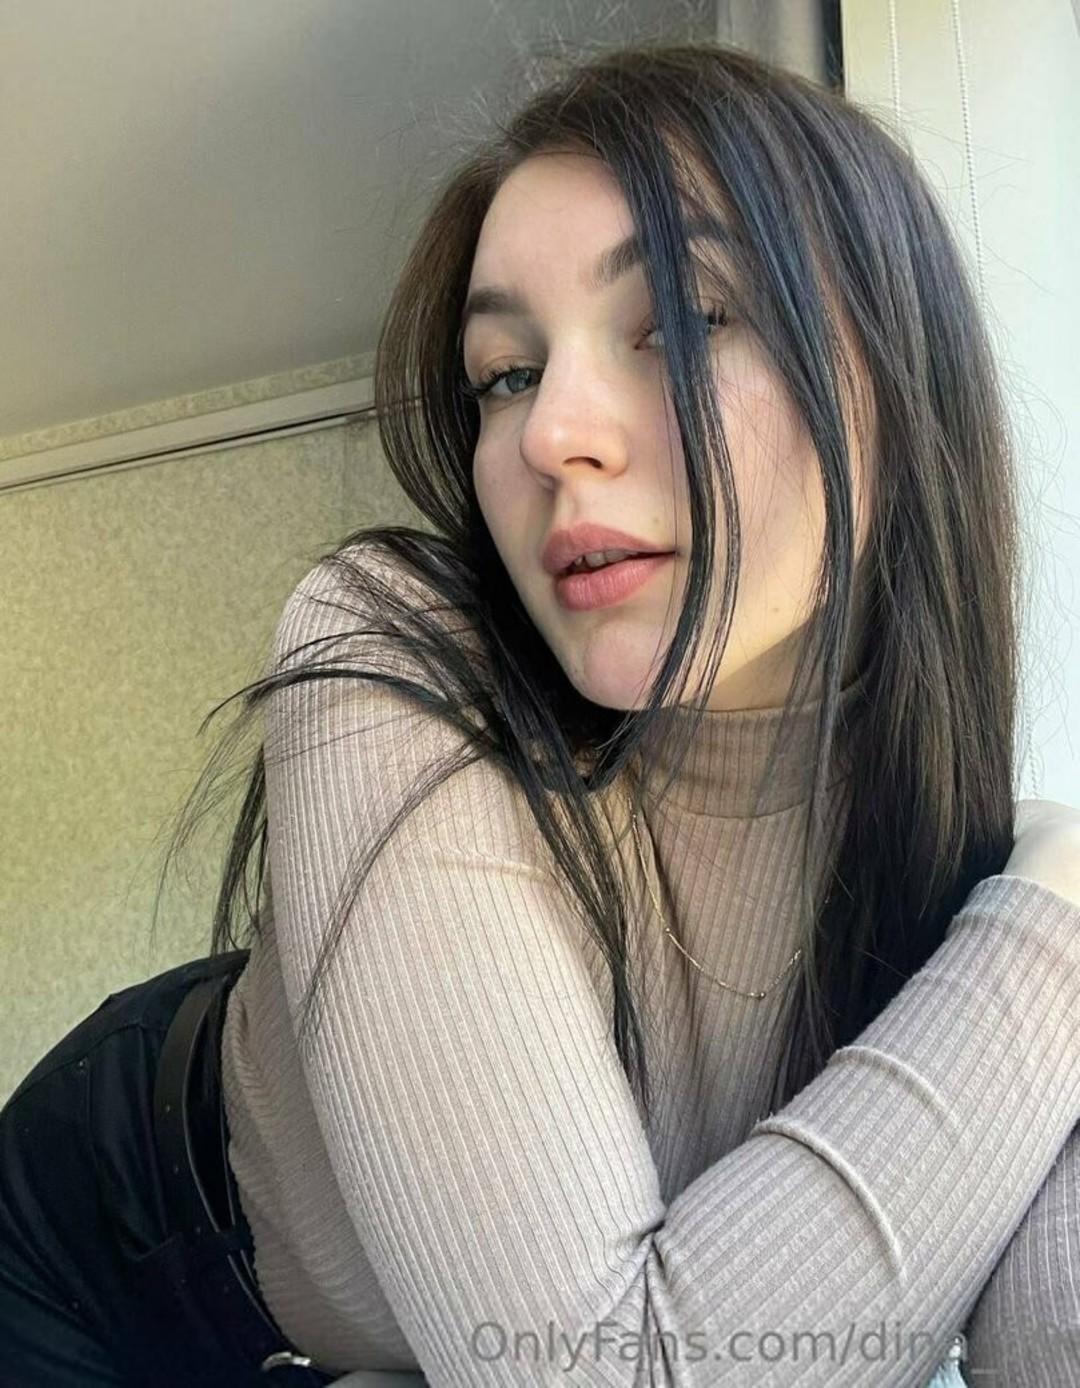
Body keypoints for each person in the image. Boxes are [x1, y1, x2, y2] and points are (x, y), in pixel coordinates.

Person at [3, 36, 1079, 1387]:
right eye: (506, 372)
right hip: (102, 1240)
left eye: (684, 318)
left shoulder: (978, 903)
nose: (552, 431)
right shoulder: (388, 643)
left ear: (898, 380)